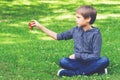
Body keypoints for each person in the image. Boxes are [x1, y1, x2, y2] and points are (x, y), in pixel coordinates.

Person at [28, 5, 109, 77]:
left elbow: (95, 56)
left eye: (78, 17)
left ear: (88, 19)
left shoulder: (96, 34)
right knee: (63, 61)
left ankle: (73, 73)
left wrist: (77, 55)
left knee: (105, 60)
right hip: (77, 62)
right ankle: (96, 70)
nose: (76, 19)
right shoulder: (75, 30)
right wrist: (40, 26)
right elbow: (58, 36)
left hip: (90, 61)